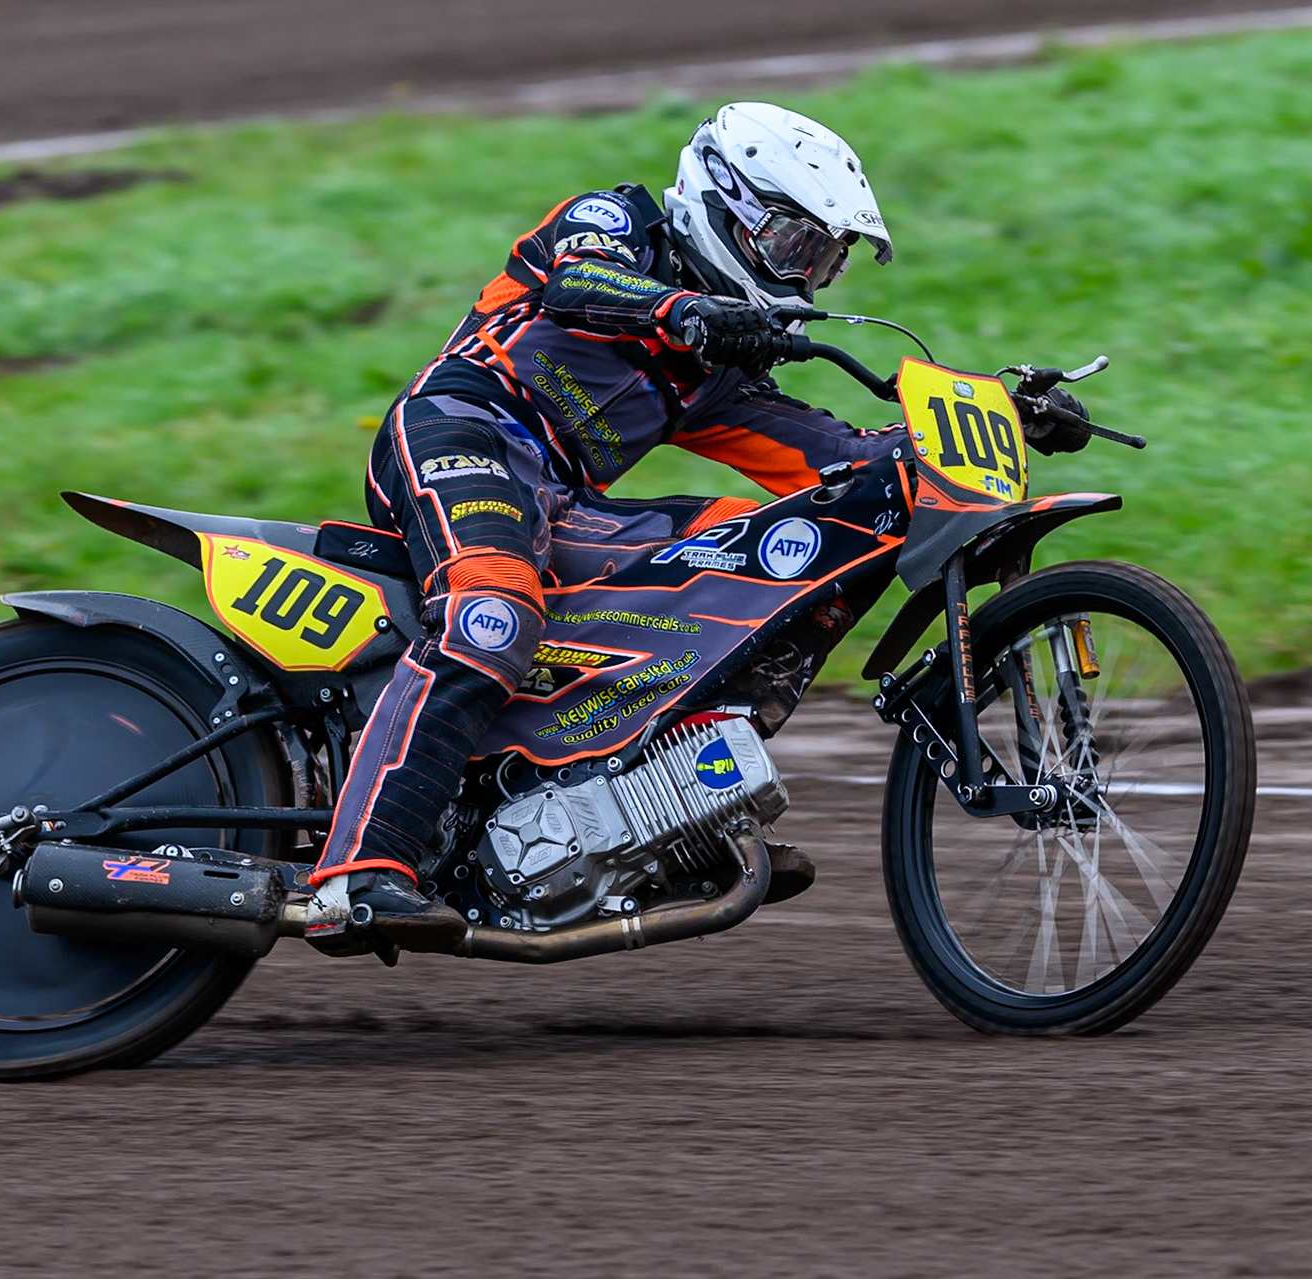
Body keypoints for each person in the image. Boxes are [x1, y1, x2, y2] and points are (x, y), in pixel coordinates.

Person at [307, 101, 1087, 951]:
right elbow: (577, 283)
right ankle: (360, 870)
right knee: (491, 610)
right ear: (723, 200)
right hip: (461, 432)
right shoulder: (616, 222)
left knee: (757, 564)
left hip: (558, 496)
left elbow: (840, 459)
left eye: (823, 262)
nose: (803, 279)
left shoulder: (712, 373)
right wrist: (683, 309)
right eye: (793, 246)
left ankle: (677, 809)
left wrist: (1003, 417)